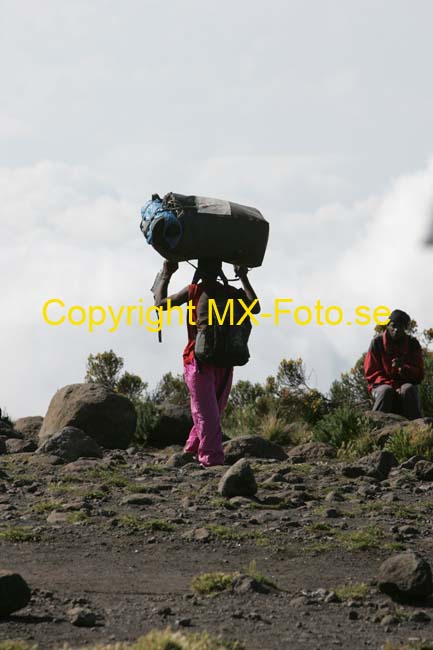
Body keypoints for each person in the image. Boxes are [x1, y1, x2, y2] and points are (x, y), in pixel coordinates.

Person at [153, 258, 260, 466]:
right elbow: (255, 307)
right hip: (222, 362)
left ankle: (203, 456)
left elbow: (160, 304)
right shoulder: (228, 292)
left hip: (200, 362)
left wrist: (167, 274)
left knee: (207, 414)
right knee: (208, 413)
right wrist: (243, 277)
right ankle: (208, 457)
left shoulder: (194, 290)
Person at [364, 309, 424, 419]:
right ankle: (375, 428)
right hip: (381, 386)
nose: (396, 330)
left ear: (405, 329)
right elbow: (371, 374)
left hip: (404, 387)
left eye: (400, 327)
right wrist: (392, 386)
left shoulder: (412, 344)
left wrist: (404, 368)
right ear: (387, 325)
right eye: (393, 325)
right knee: (385, 391)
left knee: (408, 389)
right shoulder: (377, 343)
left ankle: (417, 429)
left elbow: (419, 374)